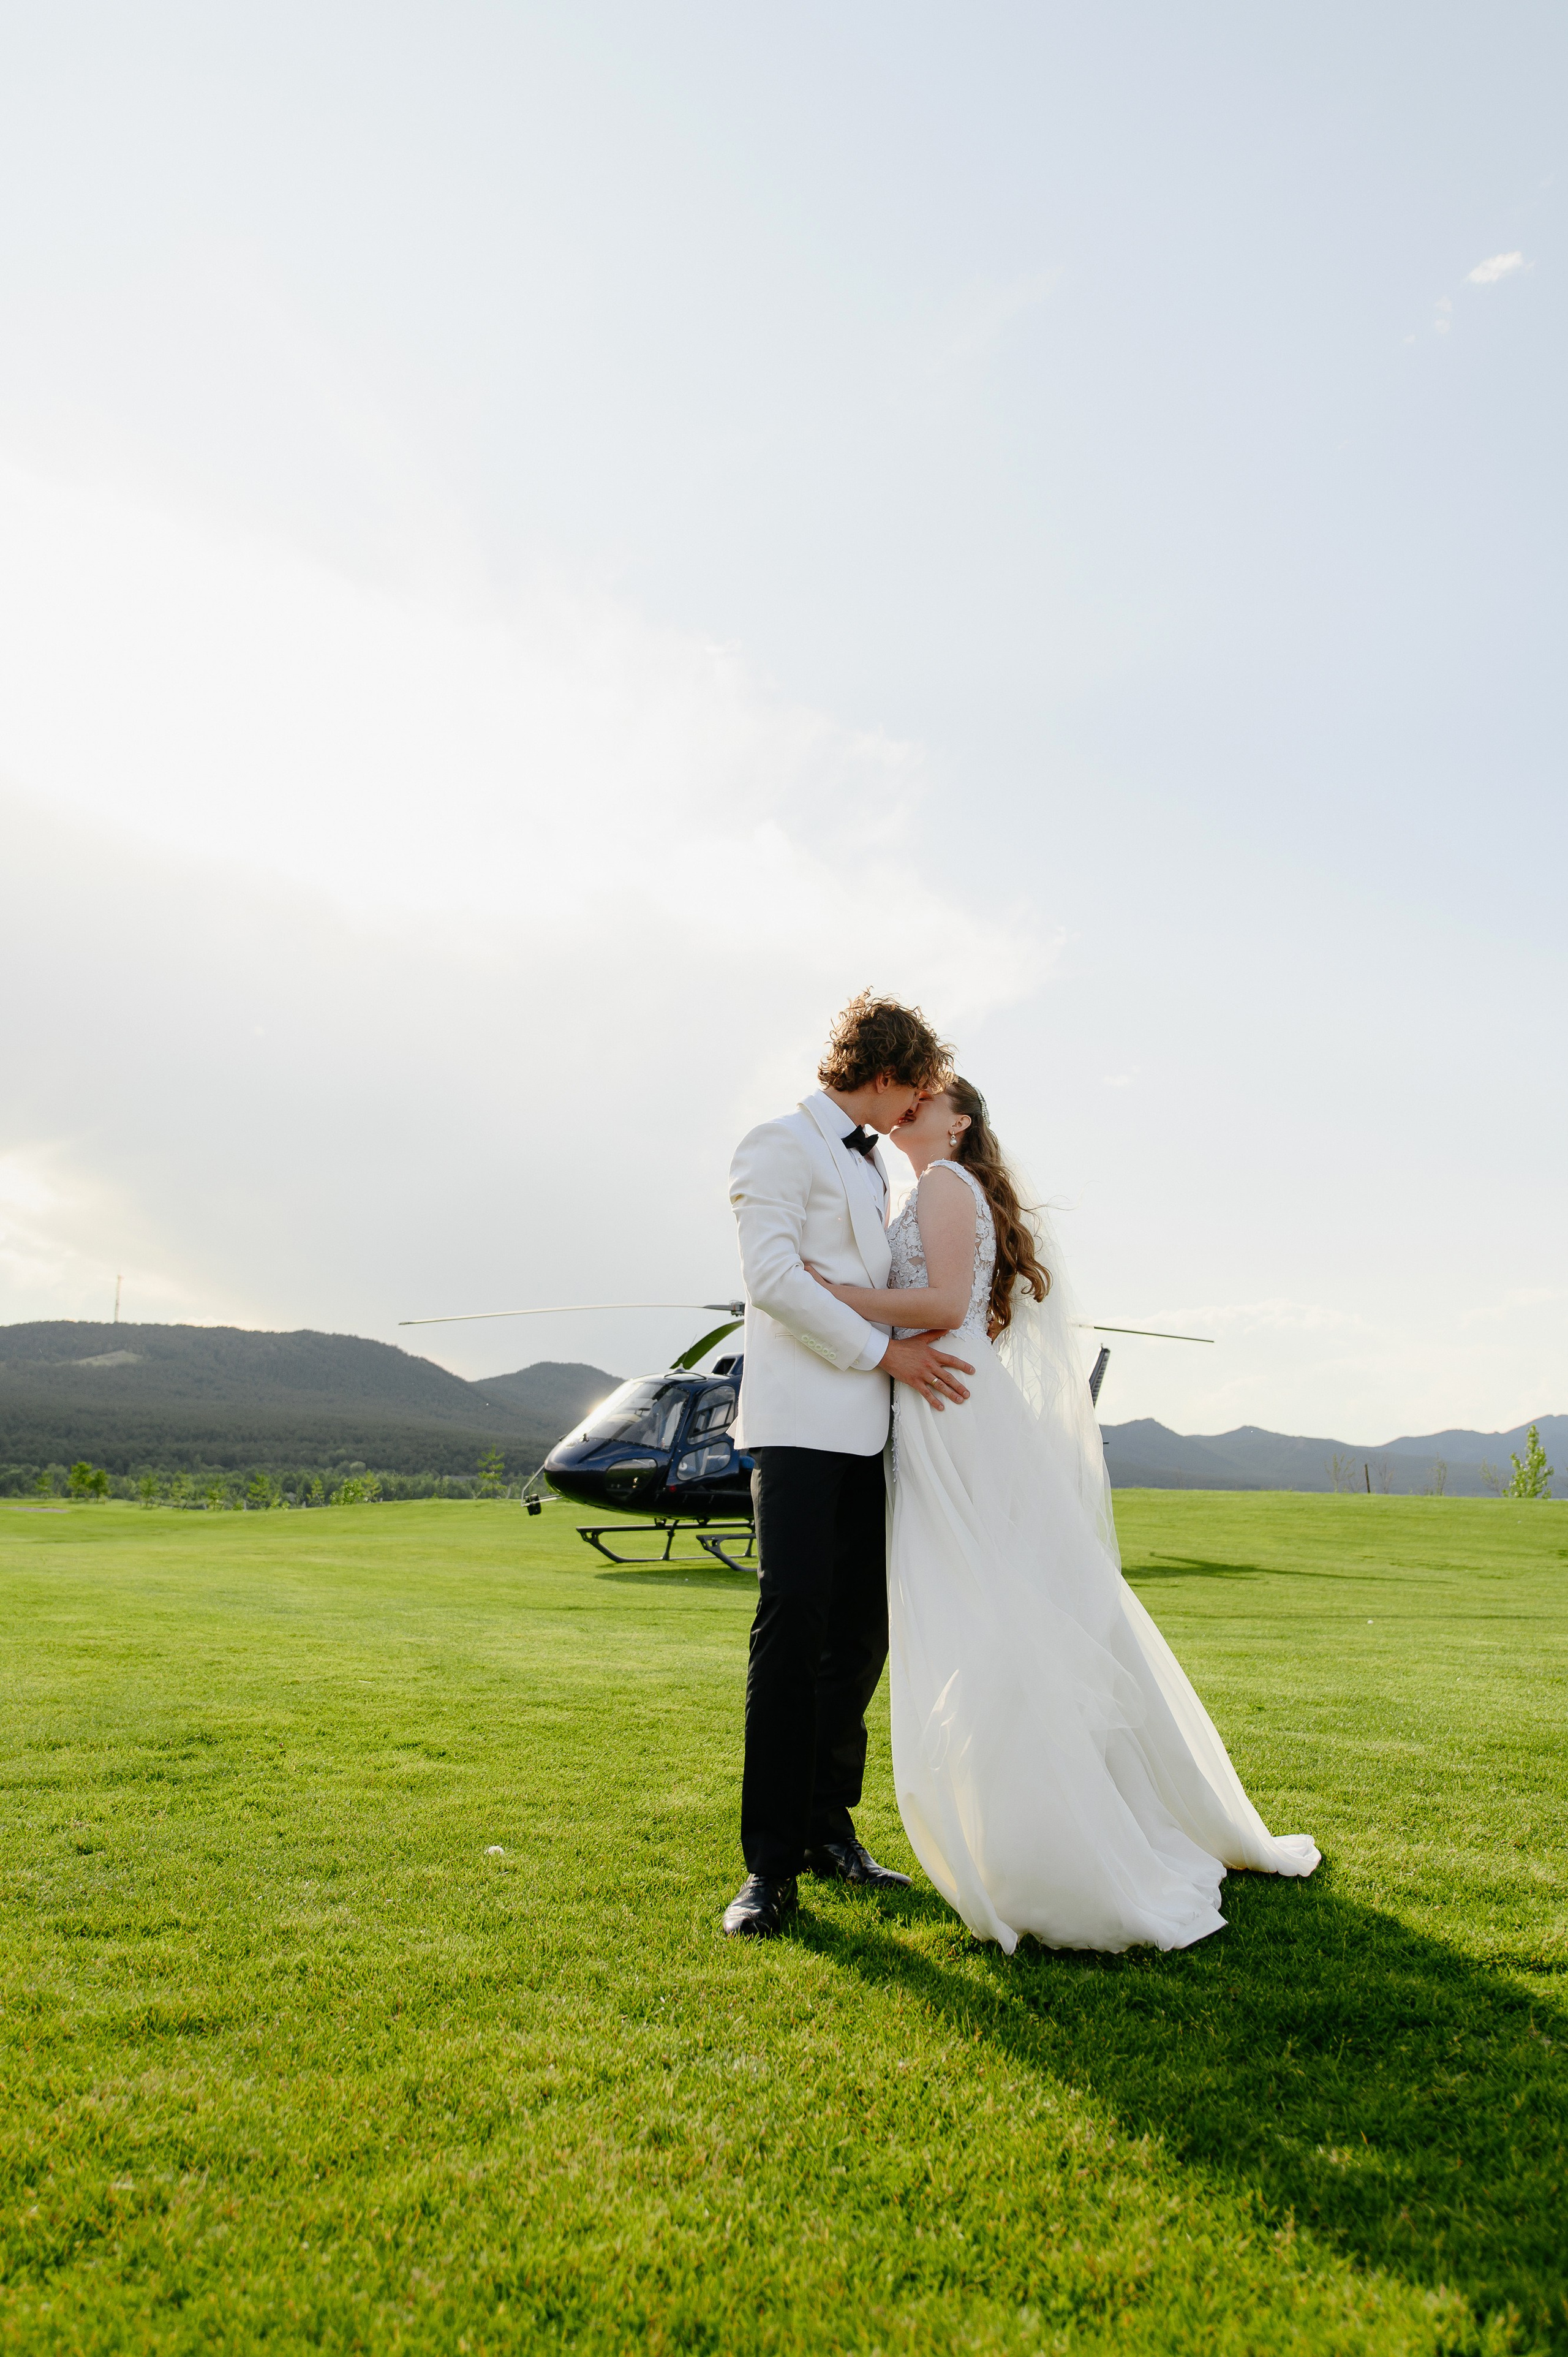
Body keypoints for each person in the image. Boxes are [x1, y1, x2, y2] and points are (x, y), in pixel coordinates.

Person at [808, 1076, 1319, 1954]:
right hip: (950, 1404)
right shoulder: (939, 1187)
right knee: (996, 1609)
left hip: (949, 1407)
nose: (905, 1109)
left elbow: (937, 1308)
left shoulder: (940, 1185)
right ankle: (1039, 1826)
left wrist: (833, 1298)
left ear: (958, 1122)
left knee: (987, 1614)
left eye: (923, 1100)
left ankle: (1054, 1845)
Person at [721, 993, 976, 1939]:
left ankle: (832, 1831)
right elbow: (776, 1281)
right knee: (790, 1639)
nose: (916, 1109)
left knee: (858, 1641)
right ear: (884, 1075)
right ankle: (769, 1868)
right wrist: (886, 1354)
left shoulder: (873, 1172)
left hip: (874, 1436)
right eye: (913, 1089)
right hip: (796, 1432)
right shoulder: (775, 1145)